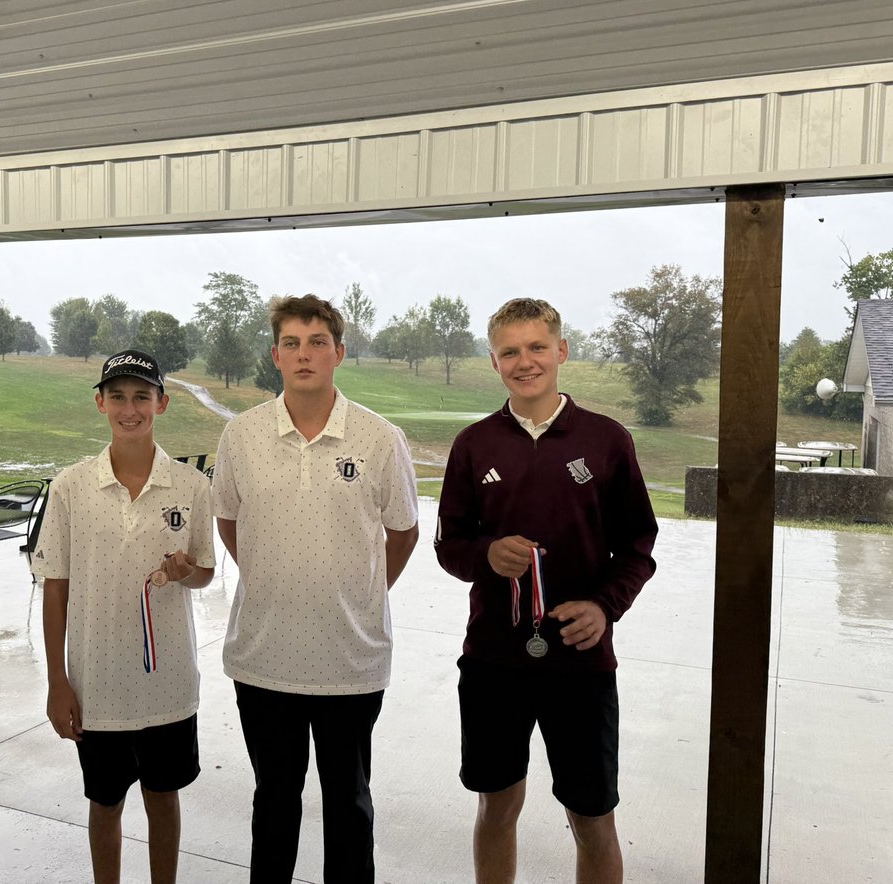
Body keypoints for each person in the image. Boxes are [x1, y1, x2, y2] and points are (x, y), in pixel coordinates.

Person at [434, 298, 657, 884]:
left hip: (581, 662)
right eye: (510, 351)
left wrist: (604, 608)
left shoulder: (607, 440)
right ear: (493, 362)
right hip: (493, 660)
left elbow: (638, 545)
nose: (524, 361)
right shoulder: (474, 445)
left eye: (537, 347)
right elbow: (449, 547)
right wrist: (487, 554)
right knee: (497, 806)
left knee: (592, 817)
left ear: (561, 351)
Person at [211, 294, 420, 883]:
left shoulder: (380, 438)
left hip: (350, 661)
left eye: (318, 342)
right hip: (263, 658)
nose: (305, 354)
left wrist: (359, 591)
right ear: (275, 355)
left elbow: (402, 532)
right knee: (273, 802)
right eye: (292, 344)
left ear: (339, 353)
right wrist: (274, 573)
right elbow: (229, 522)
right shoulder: (241, 436)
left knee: (349, 804)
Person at [34, 349, 215, 884]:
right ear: (100, 403)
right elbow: (55, 587)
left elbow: (205, 571)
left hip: (168, 684)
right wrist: (56, 681)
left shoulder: (191, 486)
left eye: (141, 397)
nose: (129, 409)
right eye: (118, 397)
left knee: (164, 799)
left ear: (162, 402)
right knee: (105, 804)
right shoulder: (70, 486)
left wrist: (185, 573)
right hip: (98, 686)